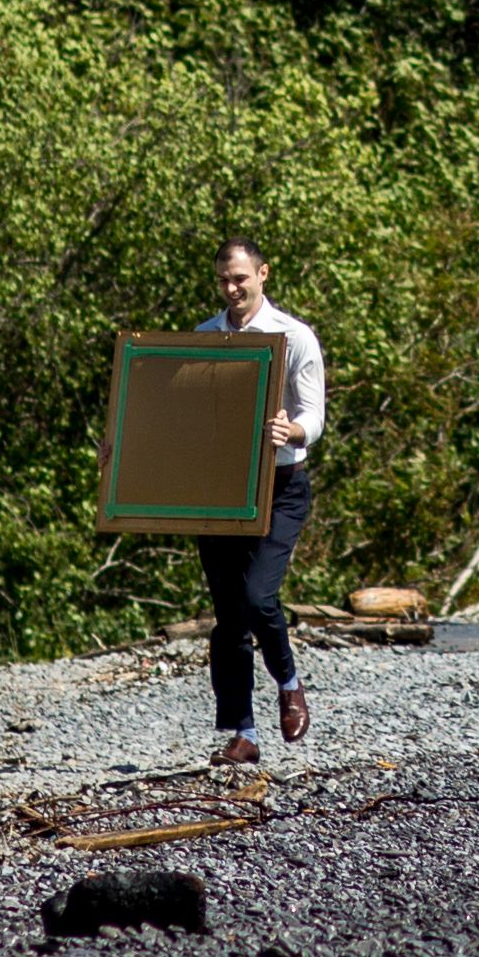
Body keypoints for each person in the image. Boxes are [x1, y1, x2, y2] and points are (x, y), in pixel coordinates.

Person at [196, 237, 328, 769]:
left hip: (281, 487)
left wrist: (290, 428)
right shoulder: (205, 338)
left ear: (263, 275)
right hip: (220, 490)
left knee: (258, 597)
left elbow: (315, 416)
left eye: (240, 279)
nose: (232, 289)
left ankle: (290, 682)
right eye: (224, 280)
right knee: (228, 617)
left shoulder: (294, 337)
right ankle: (243, 733)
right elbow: (183, 416)